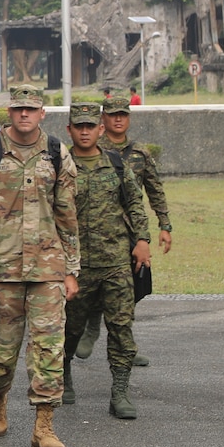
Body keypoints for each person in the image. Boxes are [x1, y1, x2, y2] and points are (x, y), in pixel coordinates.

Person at [0, 84, 79, 447]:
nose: (24, 115)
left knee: (48, 348)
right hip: (0, 269)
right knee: (0, 353)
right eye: (18, 109)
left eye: (31, 109)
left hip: (48, 270)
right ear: (9, 112)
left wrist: (72, 267)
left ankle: (44, 426)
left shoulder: (57, 152)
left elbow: (68, 215)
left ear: (42, 113)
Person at [59, 103, 151, 419]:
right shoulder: (60, 166)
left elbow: (135, 204)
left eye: (90, 126)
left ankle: (120, 393)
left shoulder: (115, 163)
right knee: (70, 329)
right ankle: (65, 371)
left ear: (100, 129)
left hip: (116, 262)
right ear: (69, 129)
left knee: (121, 328)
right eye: (78, 126)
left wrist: (142, 240)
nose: (85, 132)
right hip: (75, 266)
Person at [77, 91, 171, 365]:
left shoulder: (140, 154)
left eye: (123, 115)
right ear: (103, 119)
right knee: (92, 285)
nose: (118, 120)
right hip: (96, 230)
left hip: (131, 233)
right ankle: (93, 325)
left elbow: (155, 191)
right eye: (113, 115)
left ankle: (124, 345)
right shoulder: (93, 148)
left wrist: (165, 225)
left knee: (134, 289)